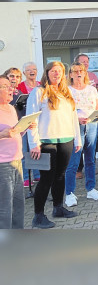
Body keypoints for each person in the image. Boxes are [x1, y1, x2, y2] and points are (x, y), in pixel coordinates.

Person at [27, 62, 81, 228]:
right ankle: (38, 216)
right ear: (47, 73)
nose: (56, 74)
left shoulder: (67, 93)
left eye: (59, 71)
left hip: (66, 139)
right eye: (53, 71)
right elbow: (31, 119)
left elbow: (73, 118)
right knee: (46, 179)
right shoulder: (39, 92)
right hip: (46, 142)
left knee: (60, 175)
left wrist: (77, 139)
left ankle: (58, 208)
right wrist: (34, 143)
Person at [63, 61, 98, 207]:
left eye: (81, 70)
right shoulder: (67, 90)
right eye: (75, 71)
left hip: (92, 125)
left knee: (90, 159)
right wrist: (76, 118)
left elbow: (97, 108)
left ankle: (91, 189)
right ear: (70, 75)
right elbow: (64, 112)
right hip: (75, 127)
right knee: (73, 161)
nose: (78, 73)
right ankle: (69, 193)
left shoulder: (92, 89)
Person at [0, 75, 26, 229]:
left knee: (18, 204)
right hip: (3, 164)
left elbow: (14, 132)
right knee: (4, 208)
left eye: (10, 85)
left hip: (17, 161)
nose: (11, 89)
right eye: (5, 86)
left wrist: (25, 127)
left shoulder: (10, 108)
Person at [15, 63, 41, 186]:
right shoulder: (19, 87)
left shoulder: (41, 85)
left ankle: (37, 175)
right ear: (24, 73)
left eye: (34, 69)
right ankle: (26, 178)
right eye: (29, 70)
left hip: (36, 124)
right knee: (25, 151)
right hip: (23, 123)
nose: (32, 72)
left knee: (36, 149)